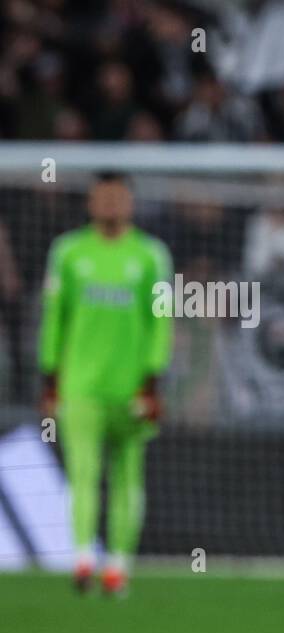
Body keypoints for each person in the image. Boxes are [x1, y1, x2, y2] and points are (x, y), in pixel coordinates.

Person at [39, 172, 174, 596]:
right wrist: (50, 378)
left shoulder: (151, 254)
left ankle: (117, 566)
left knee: (127, 477)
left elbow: (161, 321)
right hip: (79, 386)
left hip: (132, 387)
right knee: (82, 473)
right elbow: (54, 318)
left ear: (130, 203)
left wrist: (152, 379)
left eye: (118, 197)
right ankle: (82, 559)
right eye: (104, 197)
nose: (111, 204)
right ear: (91, 203)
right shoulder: (68, 252)